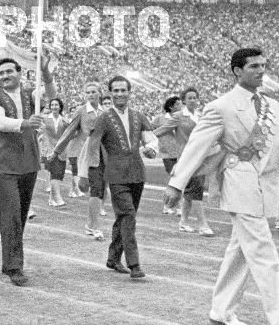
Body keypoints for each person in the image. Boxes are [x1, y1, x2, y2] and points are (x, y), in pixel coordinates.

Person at [163, 47, 279, 325]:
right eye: (253, 66)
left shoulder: (271, 105)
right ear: (237, 70)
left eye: (263, 65)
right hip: (239, 183)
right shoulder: (221, 107)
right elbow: (196, 146)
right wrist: (177, 184)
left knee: (240, 251)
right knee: (264, 253)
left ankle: (221, 309)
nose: (261, 71)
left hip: (266, 185)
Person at [0, 55, 55, 287]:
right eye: (1, 73)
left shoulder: (30, 94)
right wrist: (25, 123)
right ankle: (15, 267)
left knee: (20, 215)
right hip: (4, 165)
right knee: (10, 214)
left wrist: (46, 73)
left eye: (9, 71)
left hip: (29, 162)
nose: (5, 76)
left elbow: (51, 96)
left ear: (19, 72)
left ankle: (9, 261)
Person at [80, 76, 158, 278]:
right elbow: (92, 146)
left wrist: (150, 148)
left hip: (137, 173)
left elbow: (150, 138)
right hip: (115, 175)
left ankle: (113, 258)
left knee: (124, 218)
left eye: (123, 90)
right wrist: (85, 173)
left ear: (129, 92)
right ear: (110, 93)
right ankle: (134, 264)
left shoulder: (138, 116)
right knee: (128, 215)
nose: (119, 94)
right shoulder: (103, 118)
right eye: (115, 90)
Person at [155, 88, 214, 236]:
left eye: (195, 97)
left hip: (201, 158)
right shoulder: (178, 116)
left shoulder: (202, 117)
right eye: (190, 98)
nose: (193, 100)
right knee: (197, 190)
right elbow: (162, 130)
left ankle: (184, 222)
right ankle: (202, 224)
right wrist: (147, 141)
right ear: (184, 101)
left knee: (190, 192)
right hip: (186, 159)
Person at [53, 82, 106, 239]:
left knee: (102, 190)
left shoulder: (107, 112)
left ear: (100, 93)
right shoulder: (81, 111)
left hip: (106, 156)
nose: (90, 94)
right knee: (95, 190)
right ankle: (94, 226)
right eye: (87, 92)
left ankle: (91, 224)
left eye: (93, 92)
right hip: (89, 156)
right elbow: (69, 132)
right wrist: (57, 151)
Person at [151, 95, 182, 216]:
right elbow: (149, 129)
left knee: (180, 179)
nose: (181, 106)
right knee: (173, 179)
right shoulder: (160, 118)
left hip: (180, 152)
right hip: (167, 153)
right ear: (171, 106)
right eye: (178, 104)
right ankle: (168, 205)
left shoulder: (182, 118)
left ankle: (177, 206)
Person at [41, 98, 69, 207]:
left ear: (60, 107)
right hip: (49, 150)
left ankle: (51, 199)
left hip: (61, 151)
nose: (54, 107)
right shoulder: (45, 119)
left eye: (56, 105)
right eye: (52, 105)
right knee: (55, 174)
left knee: (57, 175)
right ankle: (58, 198)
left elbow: (71, 133)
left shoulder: (64, 120)